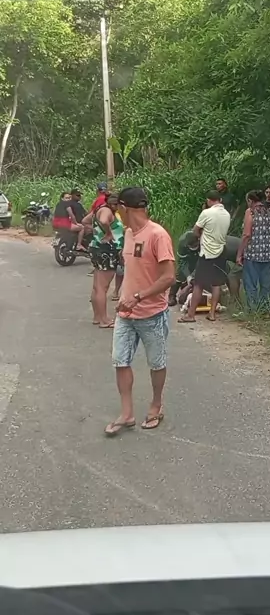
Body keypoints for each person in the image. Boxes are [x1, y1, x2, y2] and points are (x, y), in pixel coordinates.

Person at [105, 186, 175, 437]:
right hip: (126, 314)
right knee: (120, 361)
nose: (117, 213)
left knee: (156, 363)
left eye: (118, 208)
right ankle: (127, 414)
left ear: (124, 208)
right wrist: (125, 296)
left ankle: (156, 405)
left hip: (152, 314)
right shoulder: (128, 233)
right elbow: (132, 269)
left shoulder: (158, 235)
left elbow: (168, 277)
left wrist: (138, 297)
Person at [178, 190, 230, 323]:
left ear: (208, 200)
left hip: (207, 253)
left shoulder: (206, 213)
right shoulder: (226, 214)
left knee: (198, 284)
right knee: (216, 284)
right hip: (221, 251)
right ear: (220, 200)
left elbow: (195, 231)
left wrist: (201, 236)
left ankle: (190, 315)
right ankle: (212, 314)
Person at [237, 190, 270, 311]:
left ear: (250, 200)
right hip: (268, 254)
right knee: (266, 284)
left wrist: (239, 254)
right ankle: (265, 308)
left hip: (253, 253)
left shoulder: (250, 212)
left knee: (251, 283)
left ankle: (252, 309)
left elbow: (247, 234)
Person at [89, 193, 124, 328]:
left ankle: (97, 317)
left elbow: (86, 221)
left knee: (97, 286)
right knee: (102, 288)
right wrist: (108, 233)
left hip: (98, 247)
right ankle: (104, 320)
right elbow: (104, 221)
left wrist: (97, 233)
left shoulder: (99, 209)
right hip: (107, 251)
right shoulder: (107, 211)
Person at [168, 230, 200, 307]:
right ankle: (172, 295)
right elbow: (182, 262)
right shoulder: (182, 244)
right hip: (186, 257)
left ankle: (190, 291)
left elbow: (202, 262)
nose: (193, 247)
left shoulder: (203, 241)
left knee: (198, 273)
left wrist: (193, 275)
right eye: (191, 246)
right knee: (180, 273)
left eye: (195, 246)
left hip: (199, 257)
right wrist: (188, 276)